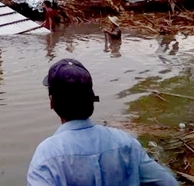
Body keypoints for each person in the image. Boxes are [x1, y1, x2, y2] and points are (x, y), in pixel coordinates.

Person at [27, 58, 178, 186]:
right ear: (91, 99)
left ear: (52, 102)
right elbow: (169, 183)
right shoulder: (125, 143)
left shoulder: (47, 157)